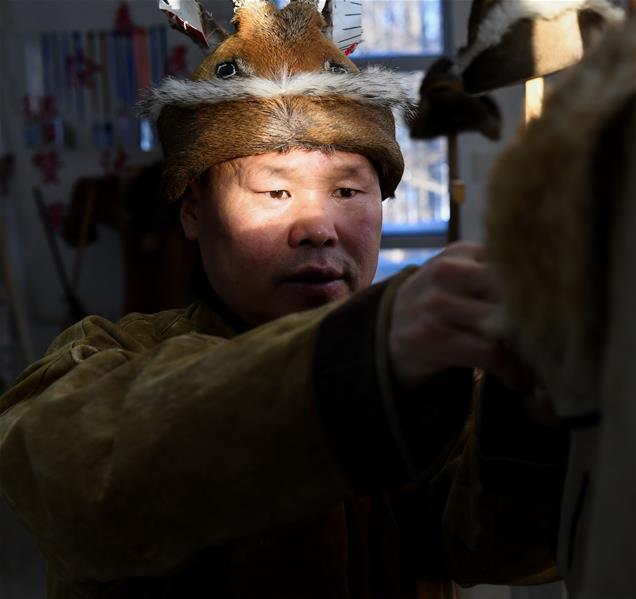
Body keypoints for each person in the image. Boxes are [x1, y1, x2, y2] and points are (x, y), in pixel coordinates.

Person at [0, 1, 567, 597]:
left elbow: (493, 545)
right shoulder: (98, 360)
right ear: (193, 211)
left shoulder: (432, 380)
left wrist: (530, 408)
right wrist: (355, 361)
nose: (318, 228)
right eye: (275, 192)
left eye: (347, 191)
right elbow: (76, 492)